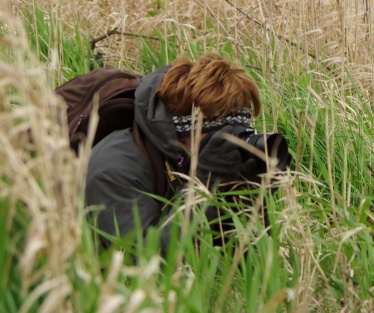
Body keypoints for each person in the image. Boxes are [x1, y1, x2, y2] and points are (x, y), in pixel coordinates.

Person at [85, 53, 288, 254]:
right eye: (222, 134)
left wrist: (251, 193)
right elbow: (144, 263)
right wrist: (204, 185)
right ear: (183, 132)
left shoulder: (186, 158)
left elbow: (238, 261)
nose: (231, 143)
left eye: (239, 131)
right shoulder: (113, 170)